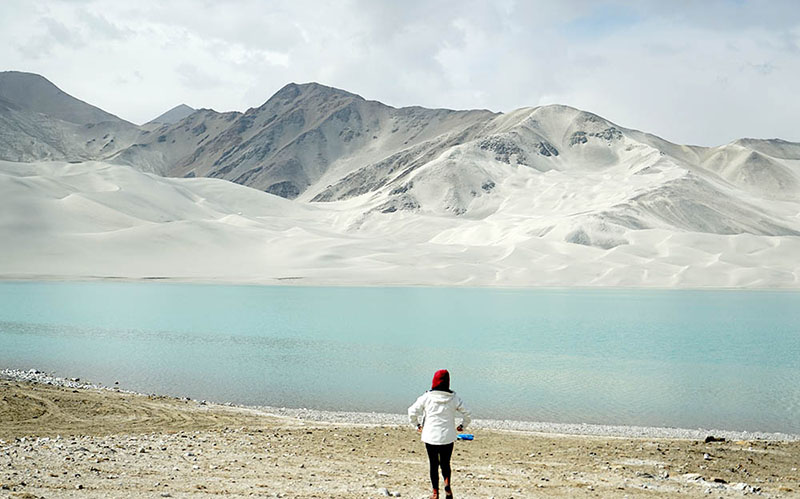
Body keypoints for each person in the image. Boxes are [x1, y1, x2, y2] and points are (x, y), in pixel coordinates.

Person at [408, 369, 471, 499]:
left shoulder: (426, 397)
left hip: (430, 436)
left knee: (433, 464)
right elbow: (468, 413)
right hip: (448, 436)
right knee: (445, 463)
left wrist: (417, 425)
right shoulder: (454, 398)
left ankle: (435, 493)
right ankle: (447, 484)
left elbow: (412, 411)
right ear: (448, 382)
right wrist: (462, 426)